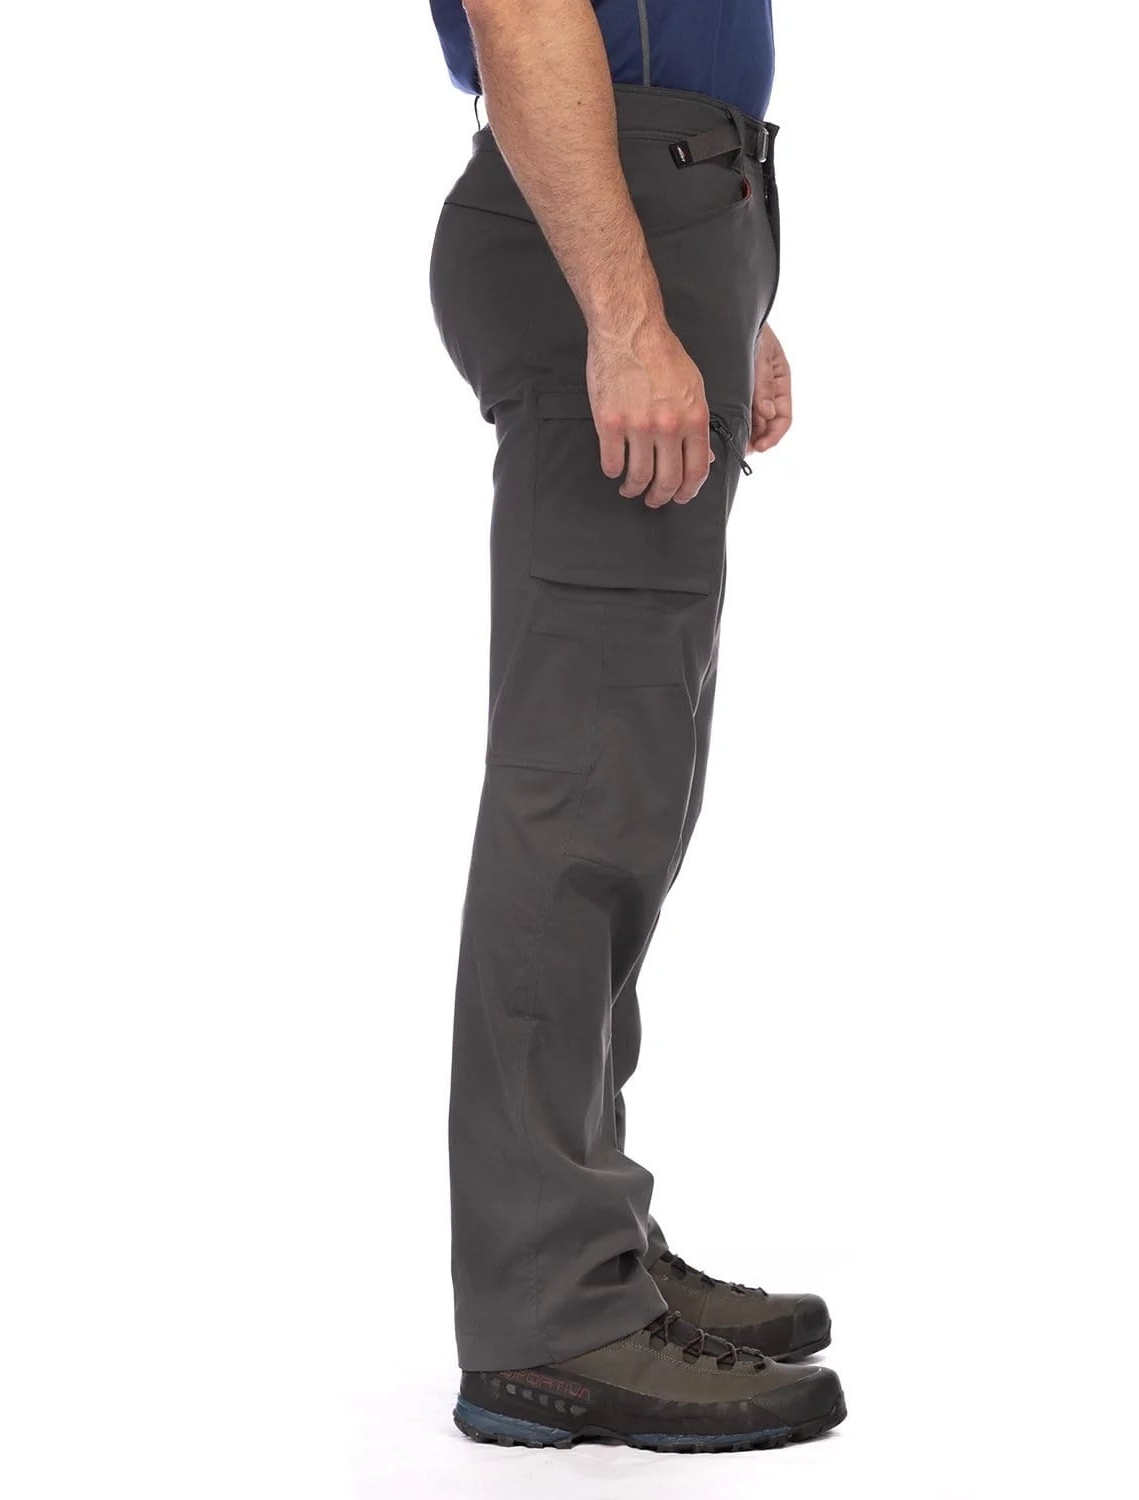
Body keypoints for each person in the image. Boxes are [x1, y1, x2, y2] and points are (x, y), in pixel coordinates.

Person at [428, 0, 846, 1451]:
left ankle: (592, 1242)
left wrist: (728, 297)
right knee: (584, 786)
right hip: (611, 216)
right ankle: (552, 1310)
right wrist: (627, 310)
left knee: (632, 781)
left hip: (671, 211)